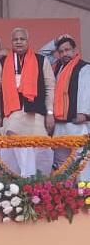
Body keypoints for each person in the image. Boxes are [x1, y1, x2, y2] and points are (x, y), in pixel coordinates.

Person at [0, 27, 56, 178]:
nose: (19, 42)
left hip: (36, 115)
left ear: (27, 41)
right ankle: (17, 187)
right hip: (12, 115)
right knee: (13, 155)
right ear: (11, 42)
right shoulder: (1, 63)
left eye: (22, 39)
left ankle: (39, 186)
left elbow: (50, 87)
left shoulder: (41, 60)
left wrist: (50, 112)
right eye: (15, 39)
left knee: (42, 153)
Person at [50, 36, 90, 181]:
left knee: (81, 161)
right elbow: (43, 53)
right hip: (59, 124)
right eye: (61, 51)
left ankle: (84, 192)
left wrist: (84, 114)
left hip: (77, 122)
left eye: (67, 50)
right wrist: (56, 40)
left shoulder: (84, 67)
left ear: (75, 50)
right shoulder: (56, 68)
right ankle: (66, 193)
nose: (64, 54)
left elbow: (87, 91)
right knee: (61, 163)